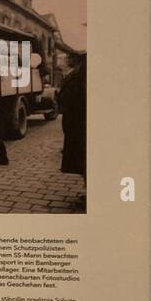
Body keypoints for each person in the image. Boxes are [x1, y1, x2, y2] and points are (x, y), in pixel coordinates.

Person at [60, 53, 86, 209]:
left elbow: (72, 96)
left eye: (69, 58)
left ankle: (89, 191)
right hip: (74, 121)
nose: (66, 60)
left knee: (82, 157)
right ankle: (87, 189)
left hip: (78, 122)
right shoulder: (77, 73)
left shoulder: (79, 75)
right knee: (81, 158)